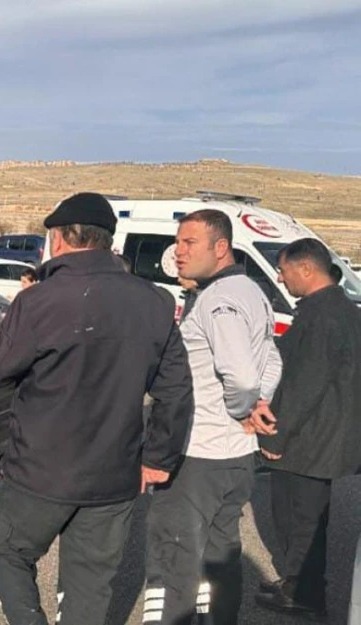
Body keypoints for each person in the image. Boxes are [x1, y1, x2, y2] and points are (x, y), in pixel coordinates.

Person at [0, 192, 194, 625]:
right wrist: (157, 459)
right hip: (113, 475)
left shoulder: (39, 300)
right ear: (106, 240)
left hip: (38, 470)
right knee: (91, 586)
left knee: (7, 550)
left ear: (59, 239)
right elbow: (176, 391)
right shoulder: (154, 302)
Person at [144, 209, 282, 625]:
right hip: (236, 456)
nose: (178, 252)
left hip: (201, 452)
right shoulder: (251, 292)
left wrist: (244, 407)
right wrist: (260, 404)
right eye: (177, 242)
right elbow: (271, 361)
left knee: (174, 558)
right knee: (220, 555)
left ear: (221, 247)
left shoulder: (219, 299)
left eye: (189, 243)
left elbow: (240, 375)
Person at [255, 238, 361, 617]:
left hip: (308, 442)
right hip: (324, 438)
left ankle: (306, 595)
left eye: (283, 272)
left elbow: (305, 385)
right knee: (307, 522)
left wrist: (277, 435)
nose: (281, 280)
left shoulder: (321, 316)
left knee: (300, 524)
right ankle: (299, 583)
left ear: (306, 268)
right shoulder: (339, 308)